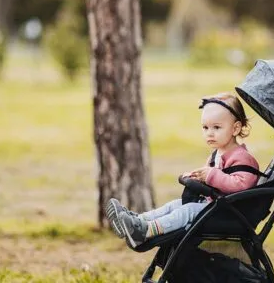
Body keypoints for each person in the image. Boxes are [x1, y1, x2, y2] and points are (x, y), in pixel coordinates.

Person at [104, 92, 261, 249]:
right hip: (215, 207)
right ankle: (138, 220)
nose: (209, 133)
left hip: (230, 215)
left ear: (235, 128)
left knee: (186, 211)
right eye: (205, 127)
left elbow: (241, 186)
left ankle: (145, 231)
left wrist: (211, 176)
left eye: (217, 127)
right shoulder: (217, 154)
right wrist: (197, 177)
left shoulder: (243, 158)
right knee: (174, 205)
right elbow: (212, 179)